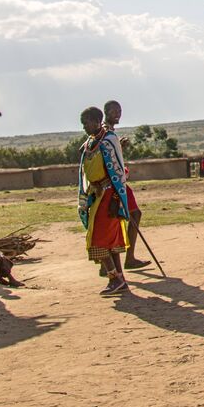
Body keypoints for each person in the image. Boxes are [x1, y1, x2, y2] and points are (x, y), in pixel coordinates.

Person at [76, 106, 130, 295]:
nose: (84, 127)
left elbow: (118, 171)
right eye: (83, 124)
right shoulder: (91, 142)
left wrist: (116, 198)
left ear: (97, 121)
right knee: (108, 240)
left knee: (99, 239)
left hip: (109, 195)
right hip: (97, 194)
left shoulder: (109, 141)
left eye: (87, 123)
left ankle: (115, 278)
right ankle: (120, 279)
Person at [103, 100, 148, 269]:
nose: (118, 114)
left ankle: (110, 263)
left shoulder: (109, 131)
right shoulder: (105, 131)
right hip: (114, 183)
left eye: (119, 110)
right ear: (106, 112)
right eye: (114, 111)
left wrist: (119, 147)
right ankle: (128, 259)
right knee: (132, 215)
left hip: (116, 181)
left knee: (116, 219)